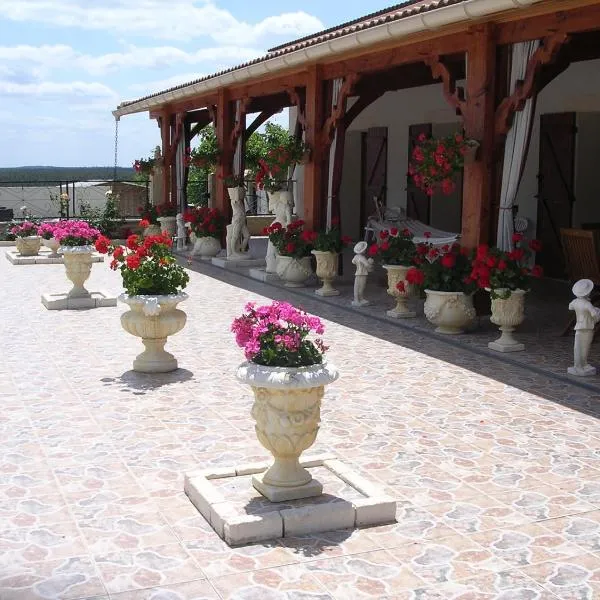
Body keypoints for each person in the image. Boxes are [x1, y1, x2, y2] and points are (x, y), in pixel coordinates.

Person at [568, 279, 600, 376]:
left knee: (578, 347)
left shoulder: (575, 302)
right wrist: (597, 314)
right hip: (587, 327)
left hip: (579, 327)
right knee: (585, 347)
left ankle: (580, 364)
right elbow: (594, 315)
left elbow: (570, 307)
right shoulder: (587, 304)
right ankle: (581, 365)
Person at [352, 241, 374, 307]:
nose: (365, 250)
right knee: (361, 287)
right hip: (362, 273)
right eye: (364, 249)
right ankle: (358, 299)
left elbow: (353, 261)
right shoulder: (362, 258)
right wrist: (370, 262)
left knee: (356, 286)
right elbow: (367, 265)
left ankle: (358, 299)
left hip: (357, 273)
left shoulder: (356, 257)